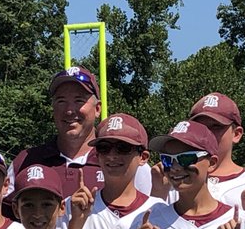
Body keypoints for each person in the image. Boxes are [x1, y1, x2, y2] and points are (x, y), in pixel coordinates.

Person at [9, 66, 152, 200]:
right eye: (61, 101)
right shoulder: (25, 161)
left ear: (97, 109)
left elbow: (150, 215)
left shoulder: (128, 162)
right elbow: (2, 220)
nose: (69, 110)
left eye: (79, 100)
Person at [157, 92, 245, 208]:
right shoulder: (173, 176)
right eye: (200, 127)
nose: (207, 132)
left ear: (236, 133)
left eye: (216, 126)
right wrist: (158, 192)